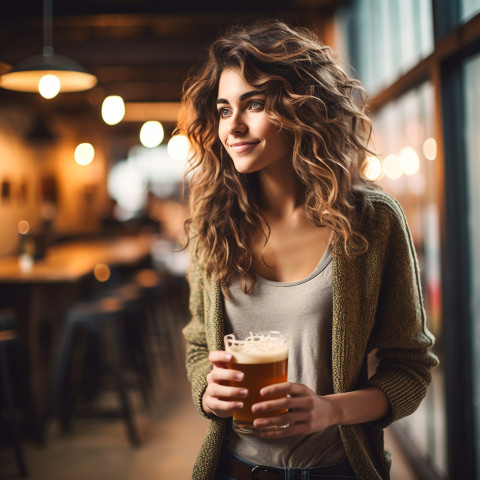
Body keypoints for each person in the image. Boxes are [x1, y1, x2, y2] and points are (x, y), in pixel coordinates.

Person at [180, 19, 438, 480]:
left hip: (337, 469)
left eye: (253, 104)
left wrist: (329, 411)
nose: (232, 126)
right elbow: (200, 344)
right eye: (222, 110)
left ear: (302, 107)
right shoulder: (212, 227)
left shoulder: (372, 222)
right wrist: (207, 390)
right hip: (235, 468)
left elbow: (410, 369)